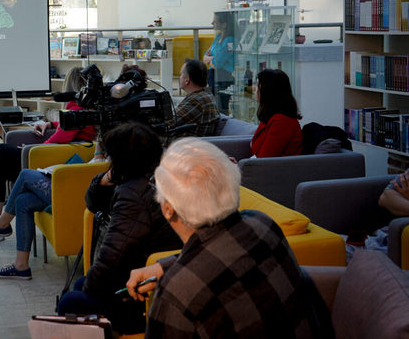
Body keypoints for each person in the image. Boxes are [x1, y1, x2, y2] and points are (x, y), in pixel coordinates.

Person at [125, 138, 316, 338]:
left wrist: (174, 274)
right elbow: (224, 255)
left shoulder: (176, 293)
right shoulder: (262, 224)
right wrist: (164, 267)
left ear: (168, 209)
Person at [56, 122, 181, 334]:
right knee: (81, 286)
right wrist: (106, 179)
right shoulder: (157, 178)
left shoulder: (134, 194)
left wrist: (91, 289)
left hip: (145, 293)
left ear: (120, 160)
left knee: (71, 301)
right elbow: (93, 203)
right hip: (155, 278)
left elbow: (111, 257)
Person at [0, 66, 95, 220]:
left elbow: (60, 138)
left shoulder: (75, 109)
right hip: (55, 156)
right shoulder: (83, 109)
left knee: (1, 150)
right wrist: (50, 124)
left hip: (51, 160)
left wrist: (33, 149)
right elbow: (69, 128)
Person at [251, 68, 302, 157]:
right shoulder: (269, 117)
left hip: (273, 170)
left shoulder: (282, 122)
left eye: (258, 85)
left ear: (269, 91)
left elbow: (264, 159)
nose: (254, 88)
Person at [167, 59, 220, 137]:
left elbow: (169, 123)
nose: (179, 77)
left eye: (181, 74)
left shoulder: (197, 100)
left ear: (187, 80)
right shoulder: (204, 95)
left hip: (184, 145)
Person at [203, 12, 234, 114]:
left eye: (215, 21)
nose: (212, 23)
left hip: (223, 78)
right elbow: (205, 56)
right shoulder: (217, 38)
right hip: (213, 77)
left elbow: (217, 63)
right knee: (215, 106)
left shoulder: (230, 41)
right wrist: (212, 58)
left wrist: (210, 59)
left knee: (221, 108)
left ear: (224, 24)